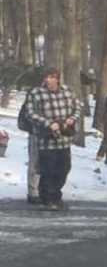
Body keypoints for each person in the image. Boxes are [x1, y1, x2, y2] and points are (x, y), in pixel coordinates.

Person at [25, 68, 80, 210]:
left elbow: (78, 107)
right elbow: (30, 113)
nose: (49, 80)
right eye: (47, 77)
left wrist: (71, 119)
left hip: (64, 139)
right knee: (48, 170)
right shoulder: (36, 93)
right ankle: (48, 198)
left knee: (63, 169)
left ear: (57, 79)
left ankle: (56, 195)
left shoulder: (67, 91)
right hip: (46, 139)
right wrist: (48, 123)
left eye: (52, 77)